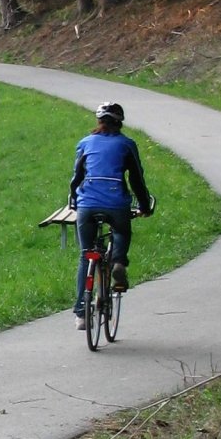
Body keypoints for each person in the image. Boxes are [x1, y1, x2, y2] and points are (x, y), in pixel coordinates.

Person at [69, 102, 154, 331]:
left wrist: (74, 200)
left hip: (87, 205)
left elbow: (76, 177)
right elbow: (137, 179)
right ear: (119, 122)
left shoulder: (85, 143)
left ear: (99, 122)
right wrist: (145, 205)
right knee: (121, 232)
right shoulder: (127, 145)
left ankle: (82, 314)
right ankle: (118, 263)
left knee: (86, 255)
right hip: (116, 203)